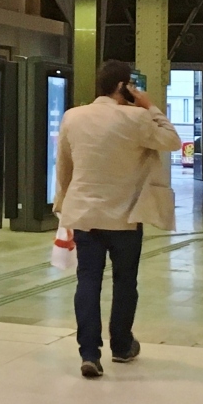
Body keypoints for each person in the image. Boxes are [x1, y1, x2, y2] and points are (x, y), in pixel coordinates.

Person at [54, 59, 180, 378]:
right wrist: (149, 105)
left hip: (84, 215)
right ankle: (122, 345)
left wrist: (65, 204)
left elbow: (64, 166)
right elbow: (172, 140)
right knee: (125, 281)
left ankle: (89, 353)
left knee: (88, 280)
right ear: (124, 87)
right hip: (125, 217)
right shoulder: (137, 118)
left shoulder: (73, 117)